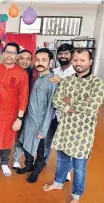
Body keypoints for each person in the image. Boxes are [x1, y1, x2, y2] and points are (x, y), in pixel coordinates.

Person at [43, 49, 104, 203]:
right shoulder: (67, 80)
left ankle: (76, 196)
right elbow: (57, 101)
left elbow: (92, 107)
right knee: (62, 160)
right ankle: (58, 182)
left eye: (82, 60)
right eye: (76, 60)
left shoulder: (97, 84)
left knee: (79, 167)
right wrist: (75, 103)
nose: (78, 63)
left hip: (83, 133)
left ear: (90, 62)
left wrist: (69, 102)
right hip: (65, 129)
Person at [0, 42, 29, 176]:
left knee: (9, 137)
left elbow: (23, 98)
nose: (10, 55)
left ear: (17, 56)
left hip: (11, 112)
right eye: (7, 52)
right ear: (3, 54)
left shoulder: (22, 74)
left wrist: (19, 118)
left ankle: (4, 162)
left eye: (13, 53)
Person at [16, 48, 58, 183]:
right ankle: (28, 166)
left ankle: (36, 171)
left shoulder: (52, 81)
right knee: (25, 144)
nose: (40, 63)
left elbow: (51, 109)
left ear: (50, 62)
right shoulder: (38, 77)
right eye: (38, 60)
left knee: (40, 151)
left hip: (41, 124)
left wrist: (44, 129)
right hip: (29, 120)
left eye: (44, 60)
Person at [45, 43, 76, 181]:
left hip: (68, 115)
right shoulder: (54, 71)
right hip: (52, 113)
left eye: (66, 53)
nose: (63, 56)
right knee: (46, 140)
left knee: (65, 145)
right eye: (60, 54)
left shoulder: (76, 72)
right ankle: (42, 161)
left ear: (72, 55)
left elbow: (76, 93)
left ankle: (67, 170)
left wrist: (61, 81)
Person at [13, 49, 38, 169]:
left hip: (29, 109)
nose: (24, 61)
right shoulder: (12, 71)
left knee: (23, 134)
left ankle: (18, 158)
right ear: (17, 58)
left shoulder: (35, 74)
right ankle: (1, 155)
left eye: (28, 59)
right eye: (22, 58)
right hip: (12, 108)